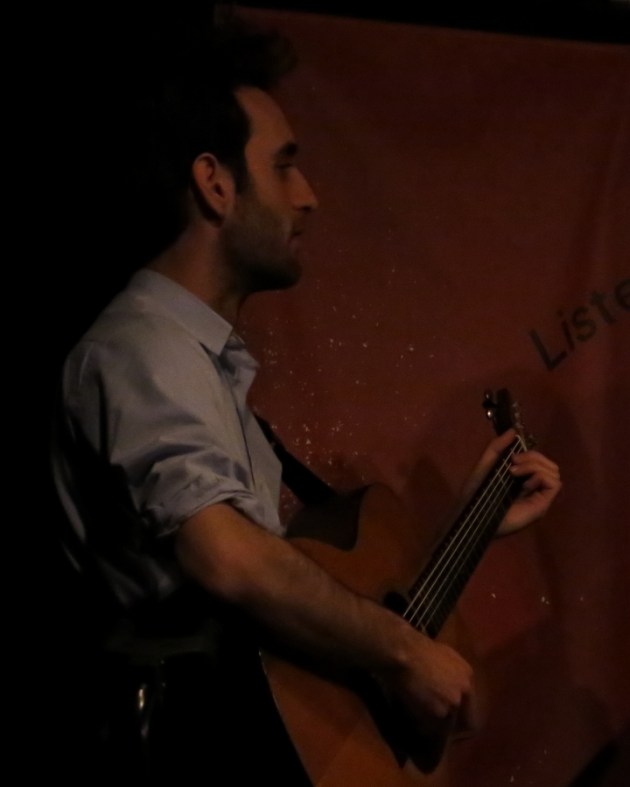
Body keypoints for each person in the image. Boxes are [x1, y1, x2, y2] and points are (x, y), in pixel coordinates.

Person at [51, 18, 561, 784]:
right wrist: (404, 650)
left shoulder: (197, 362)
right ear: (215, 183)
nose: (309, 196)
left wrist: (472, 526)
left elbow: (290, 604)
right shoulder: (143, 348)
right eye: (284, 166)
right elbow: (228, 559)